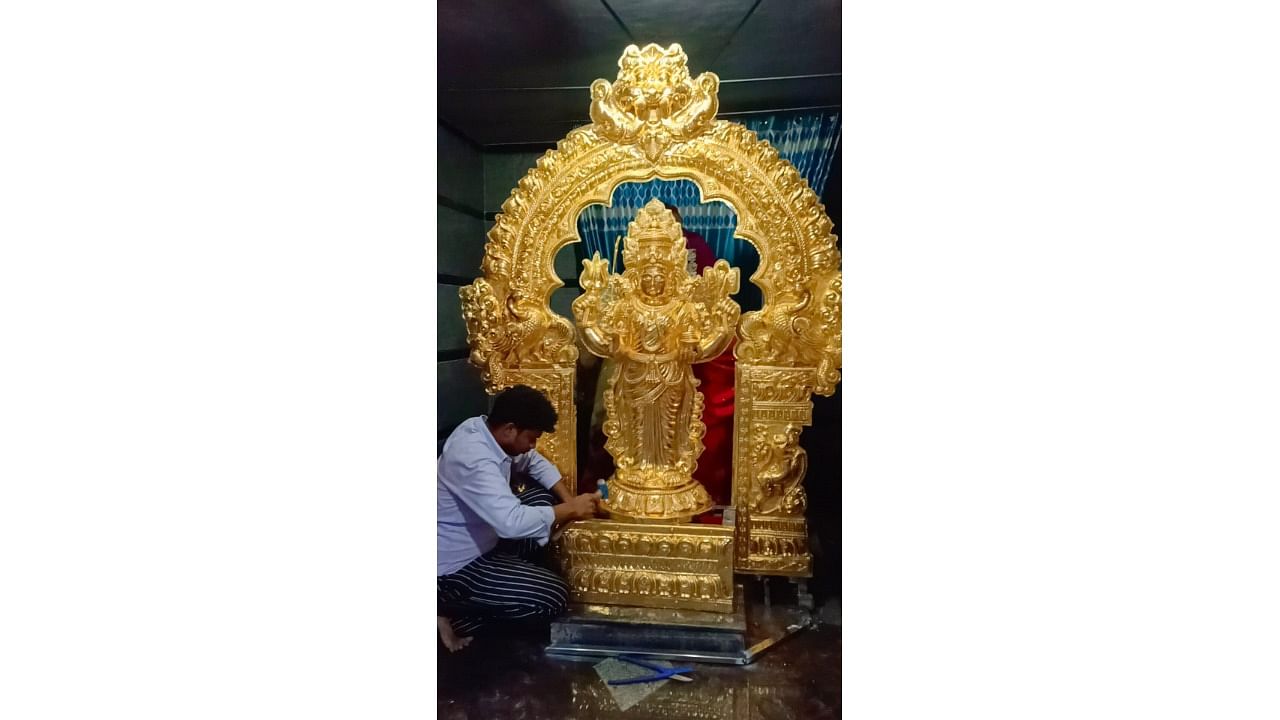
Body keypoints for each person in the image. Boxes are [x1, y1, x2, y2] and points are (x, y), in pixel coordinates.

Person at [436, 384, 601, 651]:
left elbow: (532, 461)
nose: (532, 446)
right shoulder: (472, 457)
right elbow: (511, 523)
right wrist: (572, 510)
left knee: (540, 499)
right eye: (531, 438)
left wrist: (569, 501)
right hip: (456, 566)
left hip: (487, 536)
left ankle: (505, 581)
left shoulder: (484, 430)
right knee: (552, 597)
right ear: (510, 429)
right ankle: (451, 612)